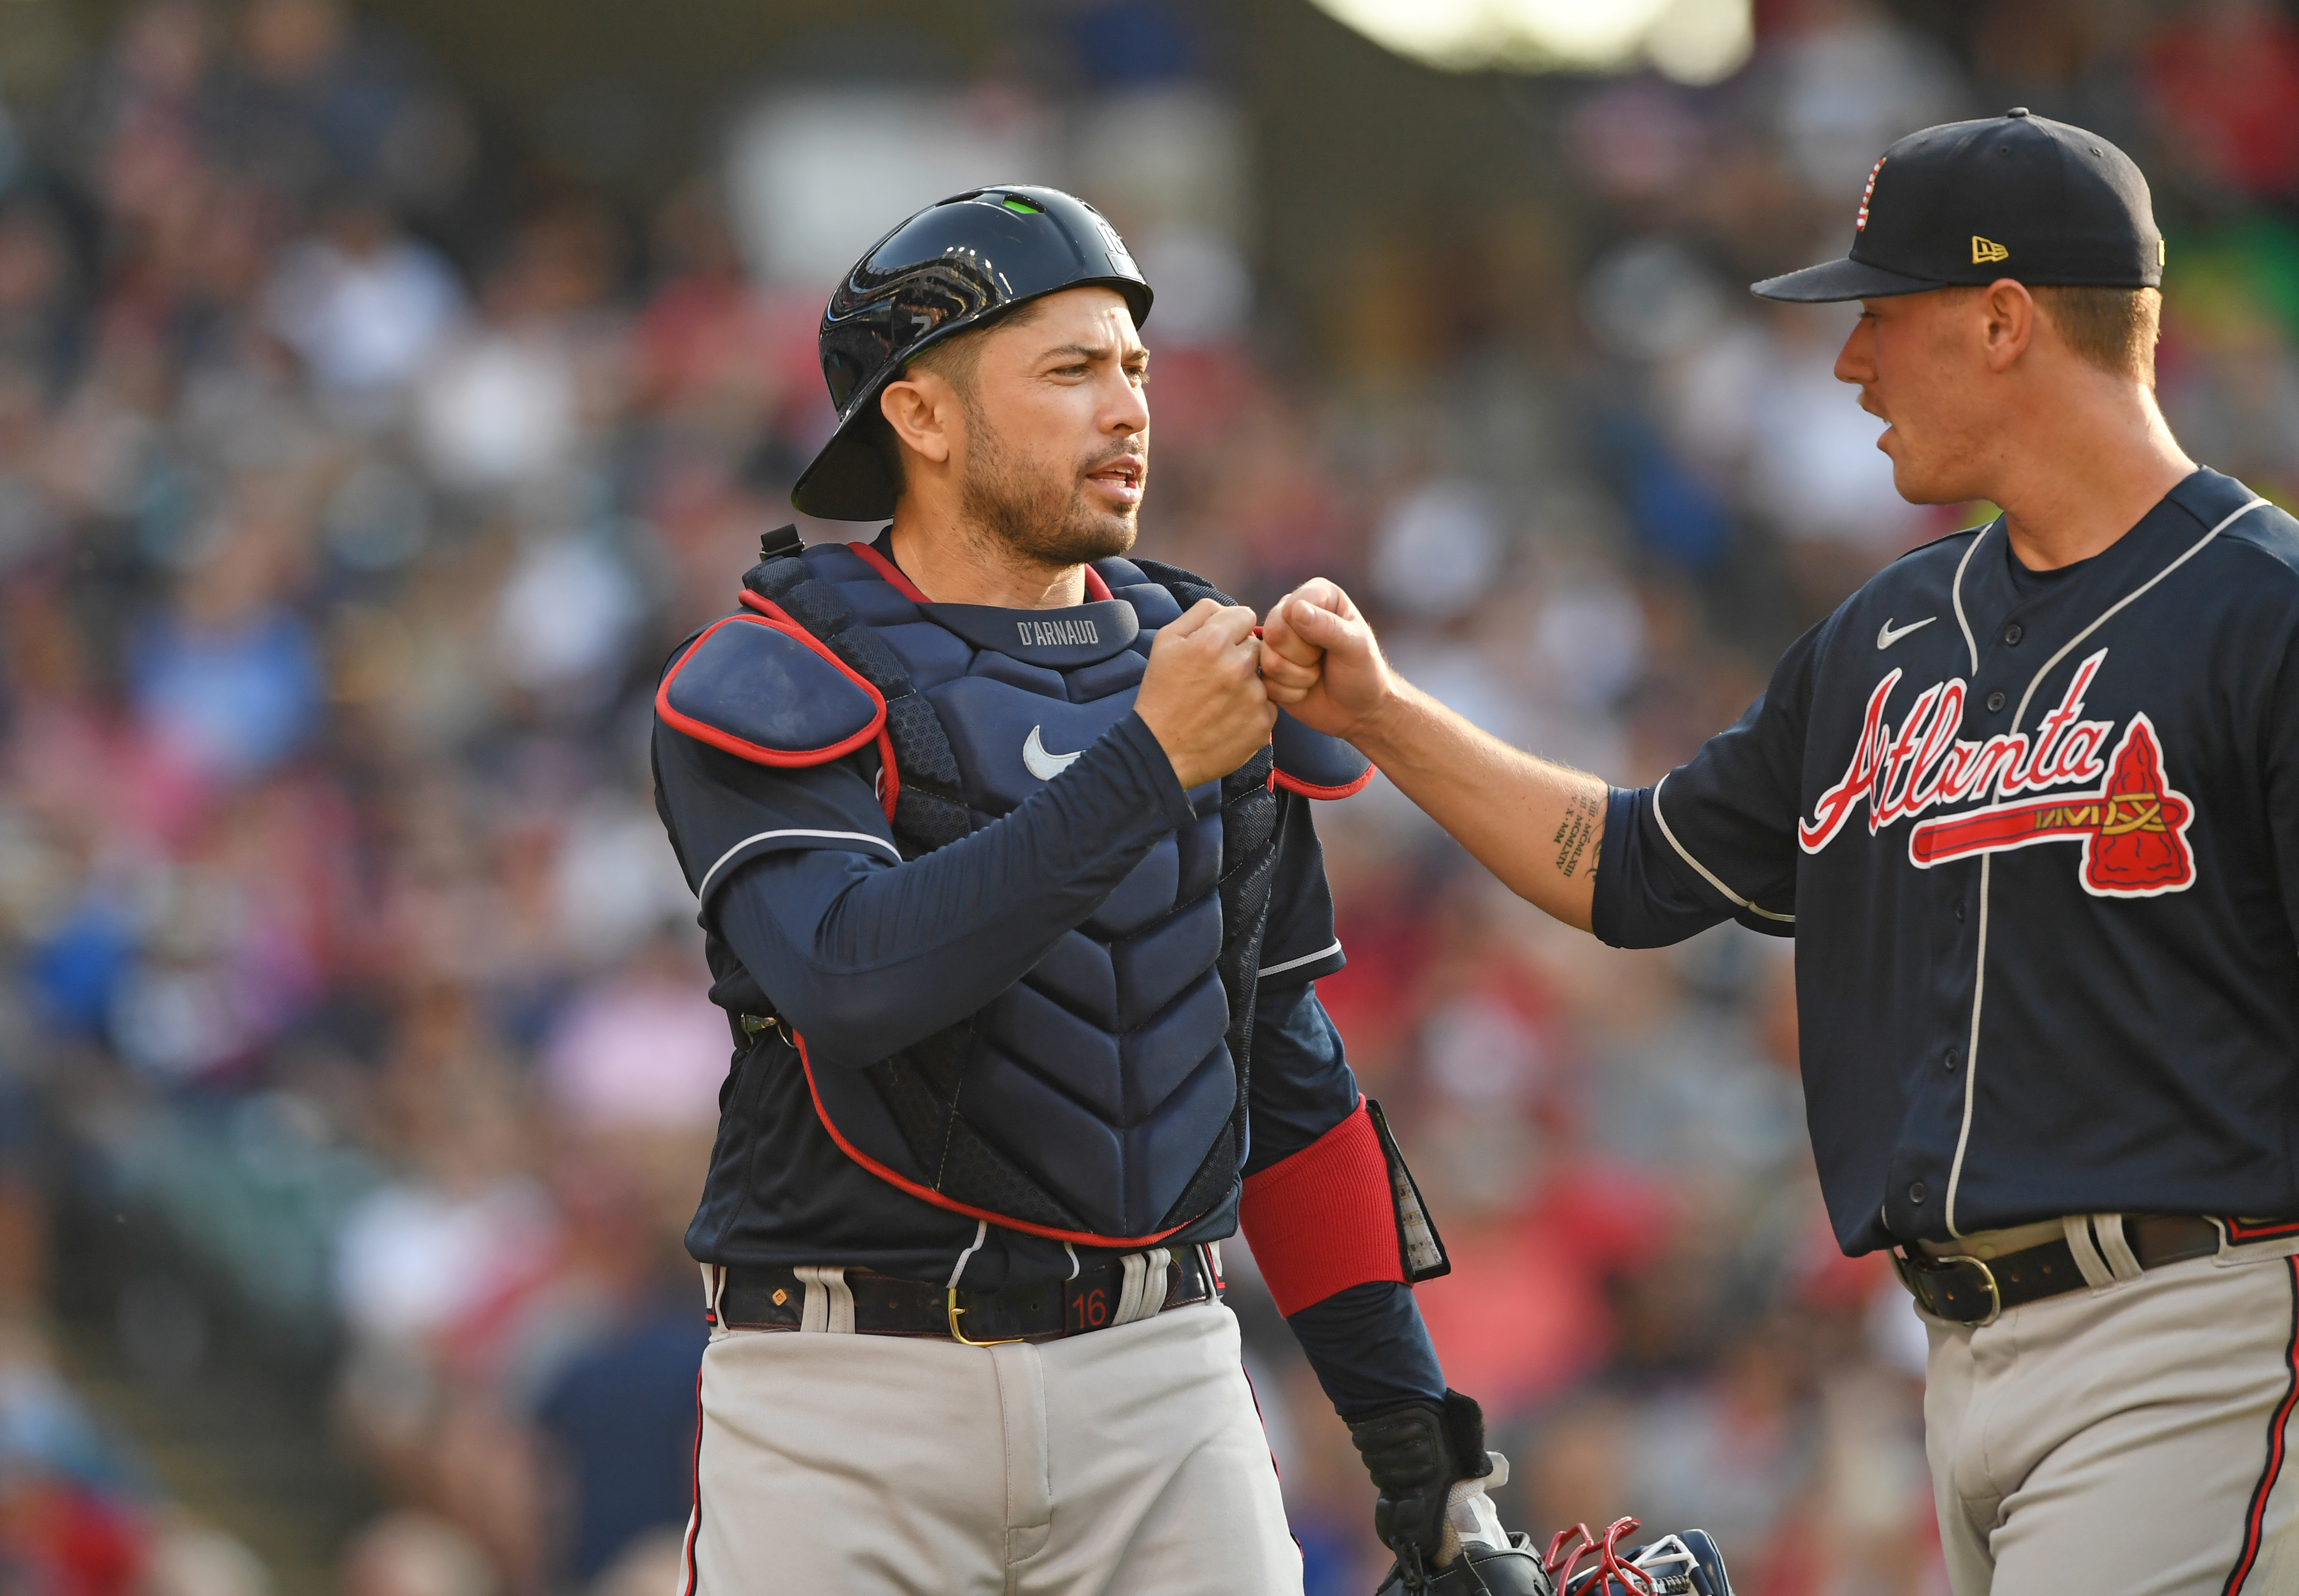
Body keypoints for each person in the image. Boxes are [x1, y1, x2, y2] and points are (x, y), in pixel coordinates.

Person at [1261, 110, 2299, 1596]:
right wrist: (1381, 709)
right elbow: (1629, 868)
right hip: (1955, 1358)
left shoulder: (2260, 614)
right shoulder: (1880, 635)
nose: (1846, 361)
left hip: (2197, 1322)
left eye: (1882, 314)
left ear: (2004, 320)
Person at [647, 185, 1504, 1595]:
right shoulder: (773, 670)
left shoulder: (1204, 661)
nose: (1127, 411)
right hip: (845, 1399)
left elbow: (1281, 1076)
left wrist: (1423, 1458)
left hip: (1158, 1382)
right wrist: (1147, 760)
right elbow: (850, 982)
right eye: (1068, 370)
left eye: (1136, 370)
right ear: (917, 417)